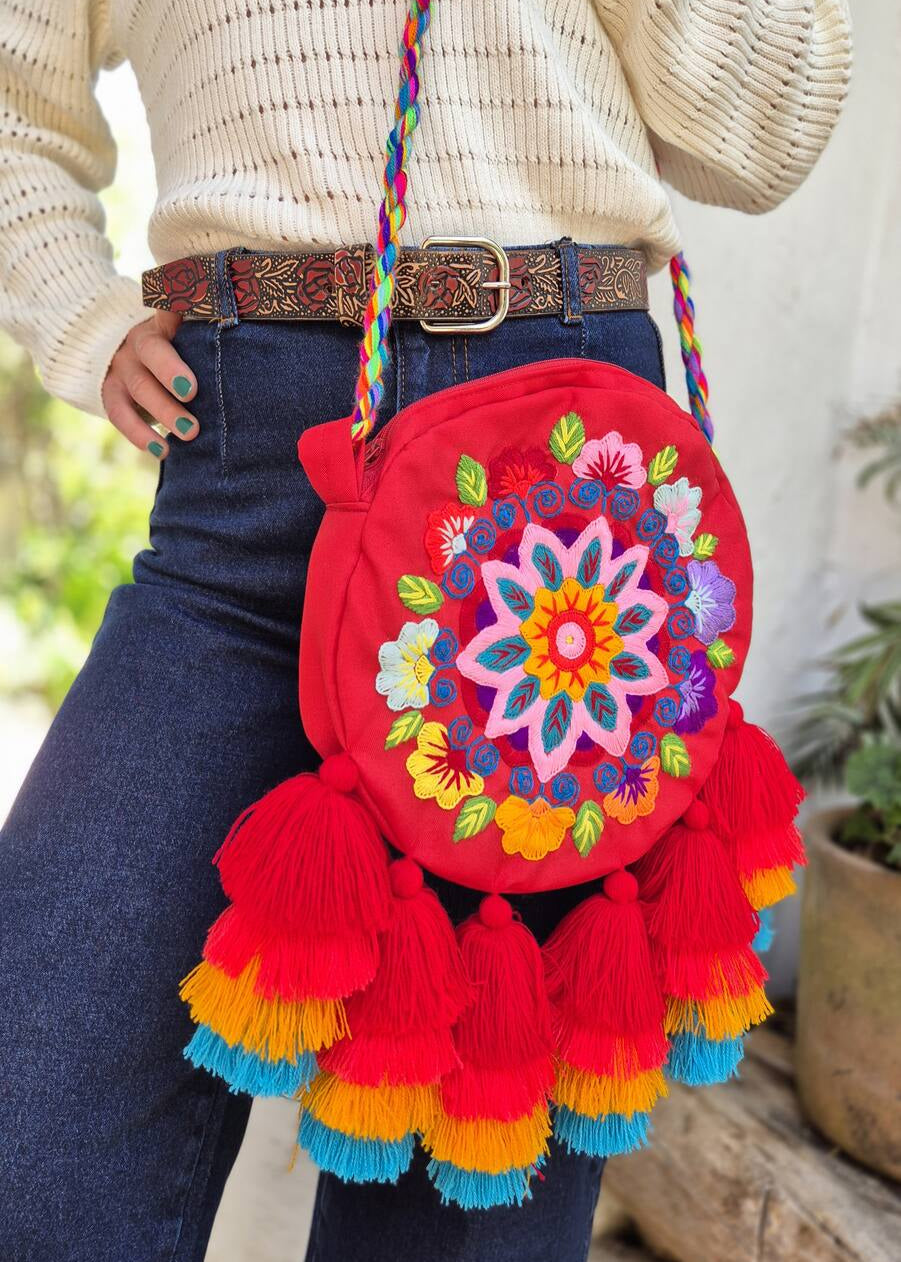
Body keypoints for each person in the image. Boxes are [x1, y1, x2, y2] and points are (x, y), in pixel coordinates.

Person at [0, 2, 851, 1260]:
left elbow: (767, 130)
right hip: (249, 459)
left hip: (566, 483)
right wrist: (73, 304)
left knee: (473, 1185)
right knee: (41, 1105)